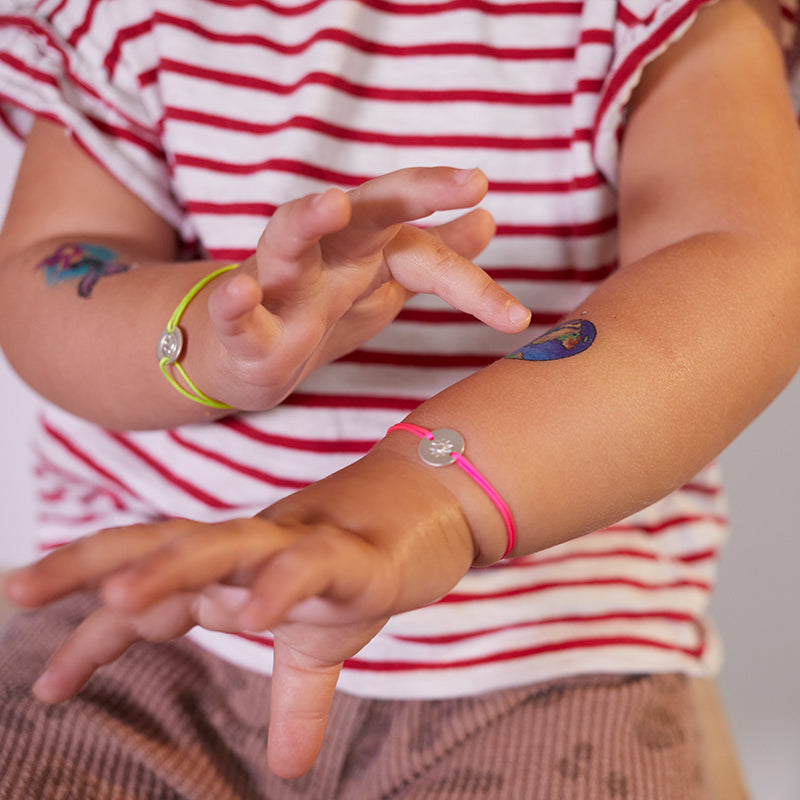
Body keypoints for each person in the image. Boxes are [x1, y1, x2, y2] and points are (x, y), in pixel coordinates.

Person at [0, 0, 799, 796]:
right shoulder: (129, 14)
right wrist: (215, 336)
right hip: (150, 618)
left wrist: (436, 495)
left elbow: (743, 265)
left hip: (547, 649)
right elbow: (48, 267)